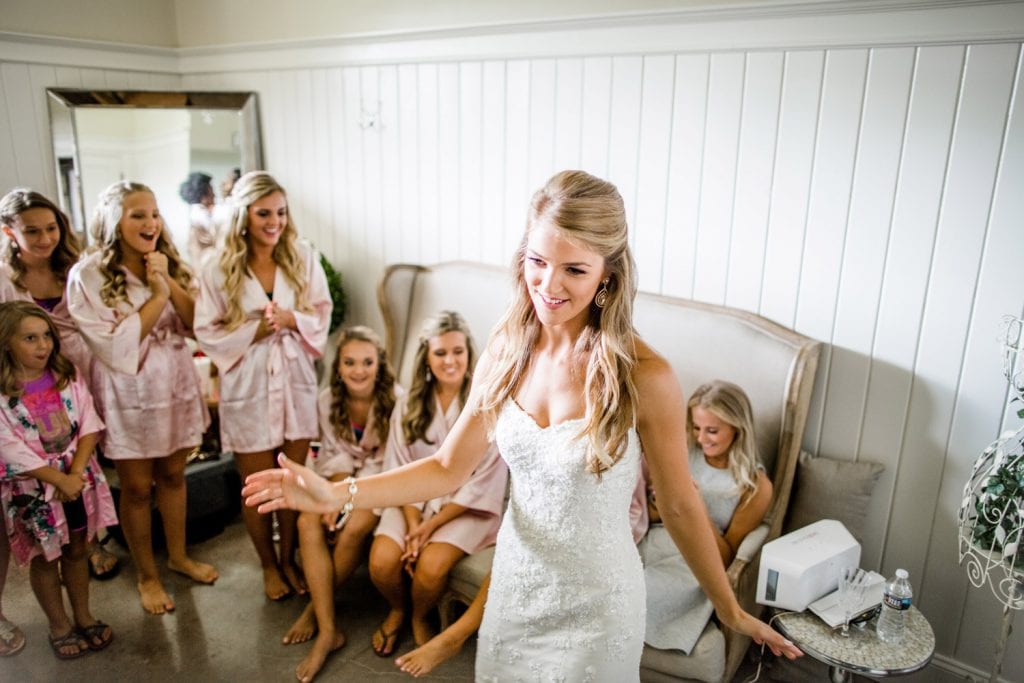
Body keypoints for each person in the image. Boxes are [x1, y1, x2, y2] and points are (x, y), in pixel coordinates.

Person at [242, 170, 802, 681]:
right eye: (537, 260)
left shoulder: (646, 376)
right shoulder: (506, 350)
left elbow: (679, 505)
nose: (548, 285)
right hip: (515, 589)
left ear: (608, 275)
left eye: (574, 269)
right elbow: (446, 468)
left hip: (597, 607)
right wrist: (336, 494)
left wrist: (729, 609)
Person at [67, 180, 217, 615]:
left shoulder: (166, 262)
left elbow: (198, 327)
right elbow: (113, 347)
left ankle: (179, 556)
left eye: (153, 213)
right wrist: (156, 297)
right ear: (115, 221)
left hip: (174, 386)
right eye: (138, 215)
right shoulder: (88, 275)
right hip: (127, 392)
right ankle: (147, 576)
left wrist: (166, 277)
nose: (151, 223)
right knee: (135, 488)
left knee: (174, 476)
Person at [194, 171, 332, 602]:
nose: (275, 221)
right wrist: (254, 331)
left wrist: (293, 320)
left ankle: (289, 557)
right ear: (244, 215)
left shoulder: (302, 256)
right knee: (257, 486)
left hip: (294, 379)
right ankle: (268, 566)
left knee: (291, 481)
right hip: (249, 381)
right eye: (264, 213)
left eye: (281, 212)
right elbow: (206, 329)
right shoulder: (217, 266)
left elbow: (321, 310)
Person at [396, 459, 649, 678]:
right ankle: (455, 637)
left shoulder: (641, 435)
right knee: (520, 552)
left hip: (608, 532)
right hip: (556, 519)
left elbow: (653, 504)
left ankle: (457, 635)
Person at [369, 311, 506, 658]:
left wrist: (431, 525)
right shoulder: (408, 404)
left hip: (466, 506)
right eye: (441, 353)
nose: (450, 361)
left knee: (430, 567)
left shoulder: (486, 404)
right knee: (382, 562)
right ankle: (398, 608)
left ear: (469, 355)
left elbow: (488, 476)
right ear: (426, 358)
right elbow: (397, 465)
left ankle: (419, 616)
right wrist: (415, 524)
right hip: (412, 500)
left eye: (458, 352)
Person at [0, 190, 120, 585]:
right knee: (47, 459)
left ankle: (92, 537)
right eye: (31, 231)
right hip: (32, 380)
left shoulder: (76, 267)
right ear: (9, 232)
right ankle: (53, 540)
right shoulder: (4, 278)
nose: (44, 238)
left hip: (79, 371)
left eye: (51, 228)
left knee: (87, 455)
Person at [283, 325, 401, 683]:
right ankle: (328, 628)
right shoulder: (325, 401)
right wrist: (334, 494)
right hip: (337, 479)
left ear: (380, 364)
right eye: (349, 362)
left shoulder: (398, 400)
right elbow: (326, 456)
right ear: (338, 367)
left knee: (357, 525)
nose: (359, 371)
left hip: (380, 484)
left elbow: (394, 459)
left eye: (367, 362)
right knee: (308, 521)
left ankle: (317, 610)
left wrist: (350, 495)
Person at [0, 301, 117, 658]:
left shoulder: (67, 375)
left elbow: (89, 422)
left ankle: (83, 615)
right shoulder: (4, 393)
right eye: (30, 338)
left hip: (76, 481)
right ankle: (59, 624)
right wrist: (57, 479)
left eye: (47, 335)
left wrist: (76, 472)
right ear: (6, 343)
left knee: (79, 549)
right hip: (33, 490)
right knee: (46, 557)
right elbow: (8, 447)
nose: (43, 345)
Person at [640, 380, 772, 654]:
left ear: (738, 428)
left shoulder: (755, 486)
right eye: (697, 428)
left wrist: (695, 507)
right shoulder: (686, 453)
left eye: (712, 431)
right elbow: (654, 515)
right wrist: (660, 499)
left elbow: (725, 558)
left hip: (693, 563)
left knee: (630, 595)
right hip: (651, 543)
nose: (701, 439)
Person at [178, 172, 219, 267]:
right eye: (211, 191)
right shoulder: (200, 215)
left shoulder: (196, 213)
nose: (214, 195)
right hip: (205, 267)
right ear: (203, 195)